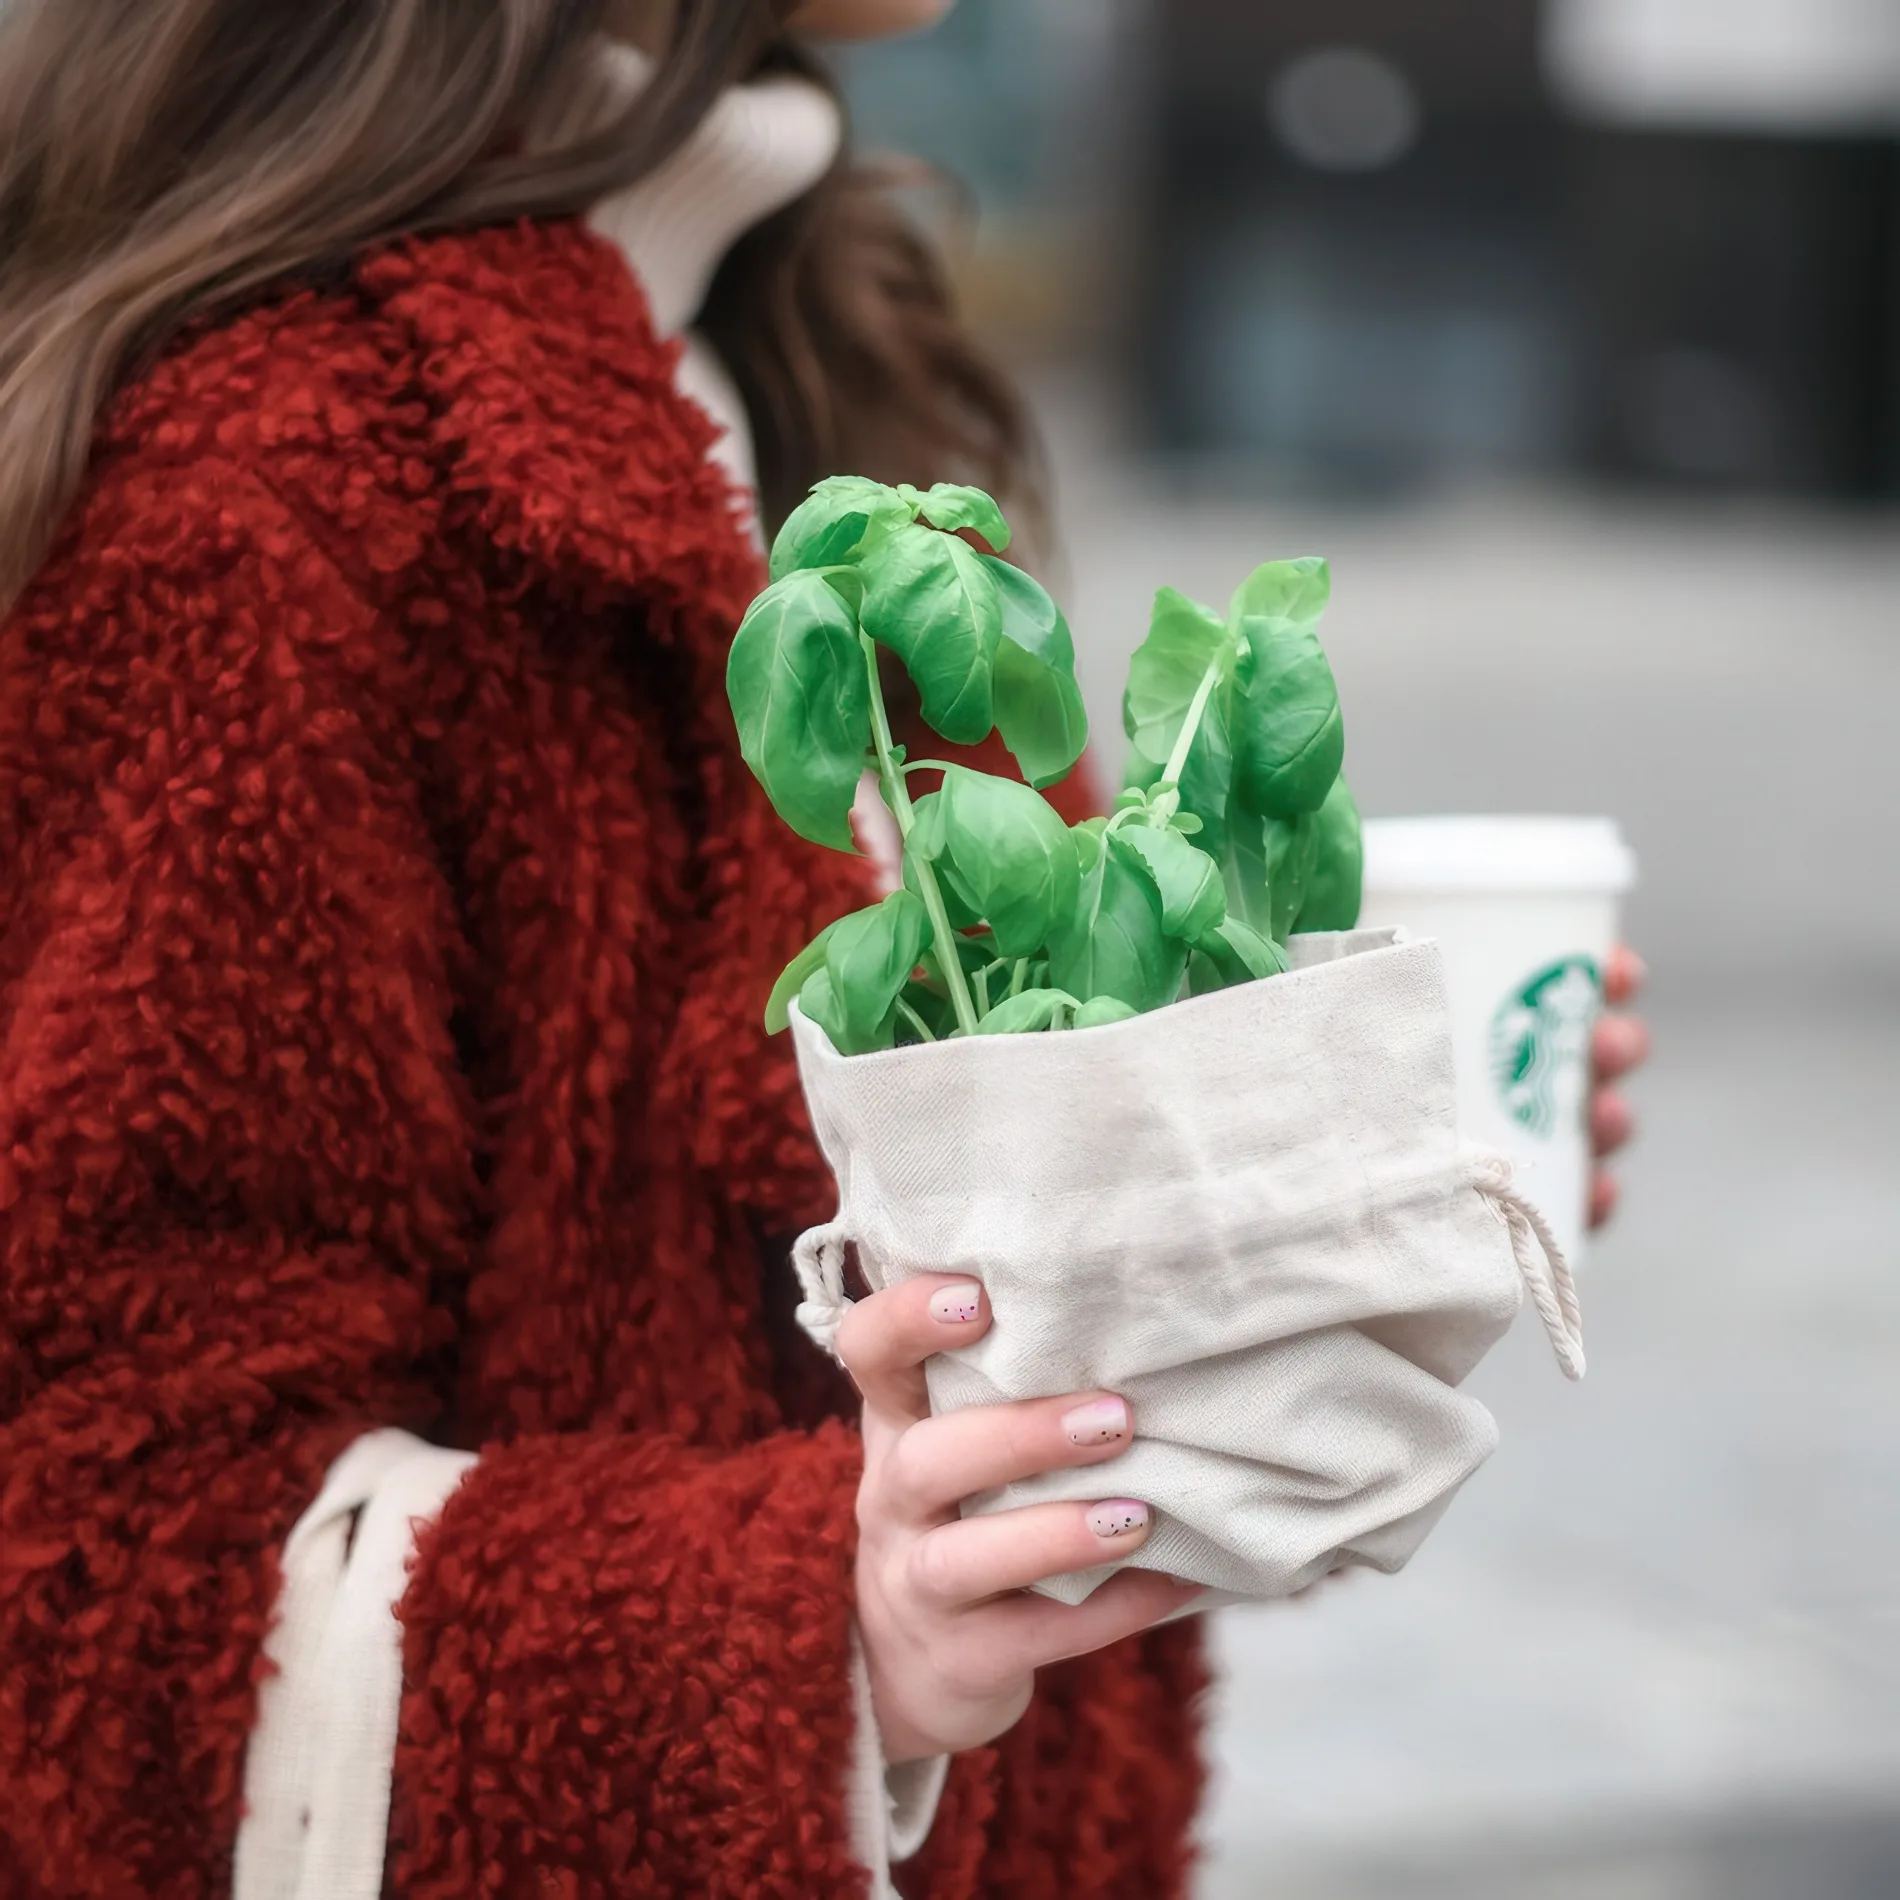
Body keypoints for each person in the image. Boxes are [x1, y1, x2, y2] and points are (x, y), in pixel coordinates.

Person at [0, 2, 1647, 1895]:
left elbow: (1012, 1330)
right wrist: (818, 1640)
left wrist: (1315, 1203)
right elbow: (92, 1575)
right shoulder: (265, 497)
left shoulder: (799, 339)